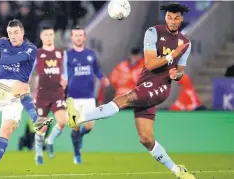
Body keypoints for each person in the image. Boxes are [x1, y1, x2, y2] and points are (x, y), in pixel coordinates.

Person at [66, 3, 195, 179]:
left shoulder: (185, 43)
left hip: (161, 86)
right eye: (169, 17)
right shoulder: (153, 33)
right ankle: (177, 170)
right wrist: (172, 55)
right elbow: (149, 64)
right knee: (146, 139)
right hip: (145, 83)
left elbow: (180, 71)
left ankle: (78, 118)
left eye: (176, 18)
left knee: (124, 98)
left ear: (181, 19)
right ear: (165, 17)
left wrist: (176, 74)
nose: (172, 21)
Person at [0, 19, 52, 177]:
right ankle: (36, 119)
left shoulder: (31, 49)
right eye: (10, 33)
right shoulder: (3, 43)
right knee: (24, 86)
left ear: (22, 33)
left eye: (16, 32)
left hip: (16, 98)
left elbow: (17, 59)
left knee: (6, 130)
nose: (13, 36)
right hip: (1, 88)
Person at [66, 26, 110, 164]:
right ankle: (76, 154)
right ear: (72, 38)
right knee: (75, 126)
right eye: (76, 35)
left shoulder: (91, 54)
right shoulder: (67, 55)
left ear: (84, 37)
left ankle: (80, 136)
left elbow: (97, 69)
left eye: (80, 35)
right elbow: (63, 73)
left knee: (90, 125)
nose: (78, 38)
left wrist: (103, 78)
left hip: (89, 96)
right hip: (72, 97)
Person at [33, 26, 68, 164]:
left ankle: (50, 140)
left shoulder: (61, 53)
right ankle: (39, 153)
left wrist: (65, 80)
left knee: (62, 121)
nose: (48, 37)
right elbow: (29, 72)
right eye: (45, 34)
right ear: (41, 37)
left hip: (57, 93)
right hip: (42, 94)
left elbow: (64, 72)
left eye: (51, 34)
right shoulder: (37, 54)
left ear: (54, 36)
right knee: (42, 127)